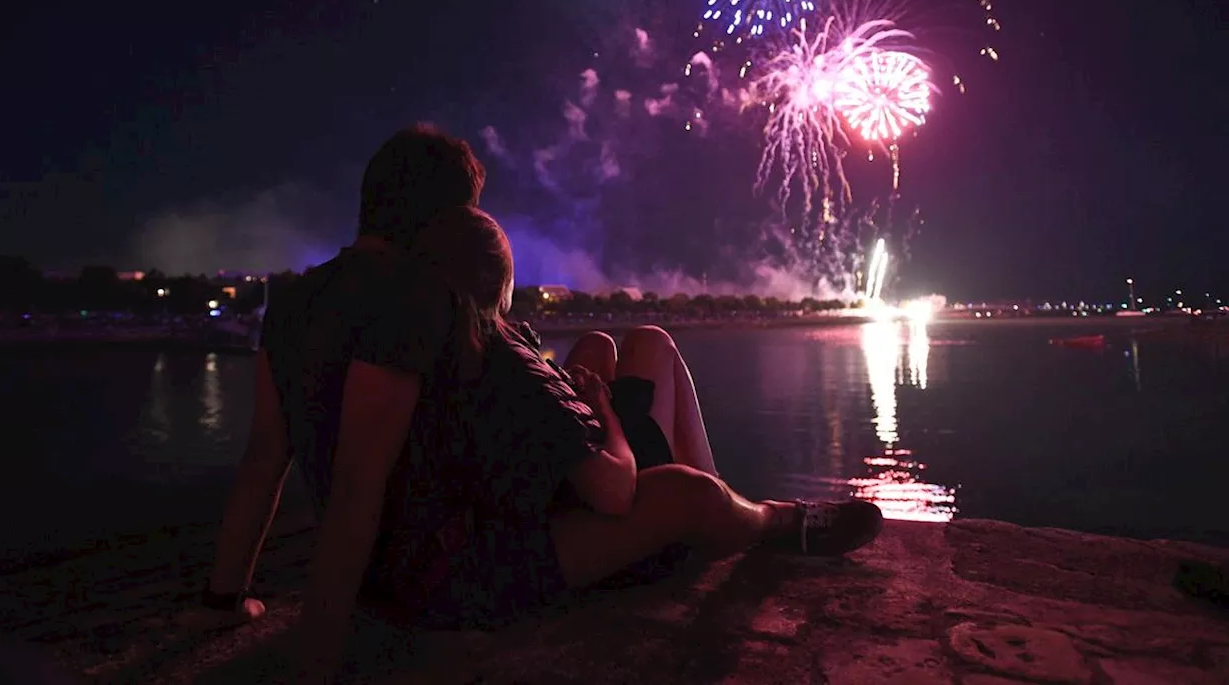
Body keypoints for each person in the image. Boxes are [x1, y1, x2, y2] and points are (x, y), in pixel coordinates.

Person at [381, 205, 882, 628]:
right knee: (694, 491)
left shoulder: (429, 347)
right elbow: (614, 492)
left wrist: (571, 394)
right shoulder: (508, 366)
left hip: (509, 516)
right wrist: (604, 415)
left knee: (621, 344)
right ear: (502, 284)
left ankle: (716, 516)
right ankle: (774, 519)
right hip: (498, 564)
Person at [200, 124, 485, 684]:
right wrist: (321, 655)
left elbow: (264, 458)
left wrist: (222, 597)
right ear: (447, 219)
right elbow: (361, 480)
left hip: (371, 580)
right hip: (421, 580)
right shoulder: (415, 295)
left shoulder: (292, 301)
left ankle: (220, 600)